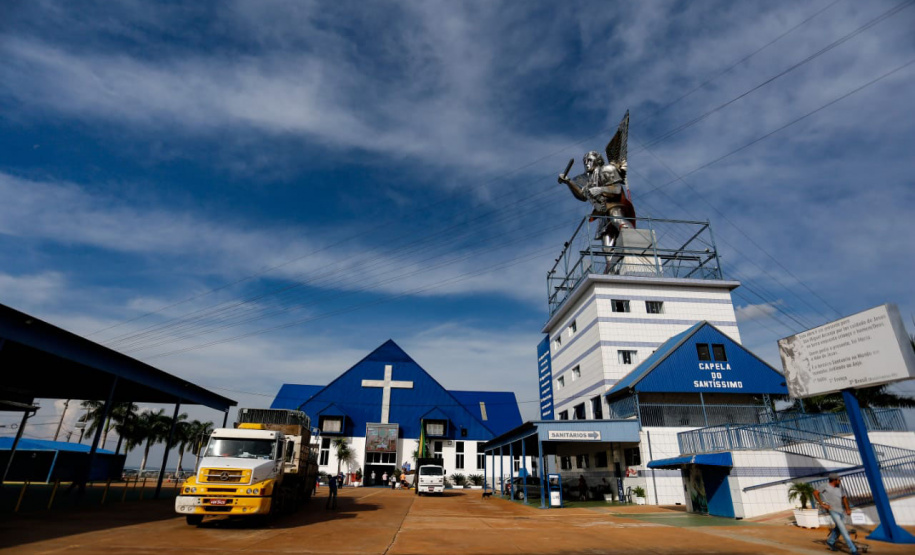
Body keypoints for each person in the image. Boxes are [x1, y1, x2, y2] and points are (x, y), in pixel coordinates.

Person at [813, 473, 858, 554]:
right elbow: (815, 493)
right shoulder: (825, 486)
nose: (840, 481)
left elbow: (844, 498)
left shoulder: (840, 487)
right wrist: (822, 504)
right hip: (832, 510)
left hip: (841, 510)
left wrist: (847, 509)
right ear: (834, 480)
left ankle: (830, 541)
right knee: (843, 530)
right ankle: (853, 550)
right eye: (839, 480)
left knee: (839, 528)